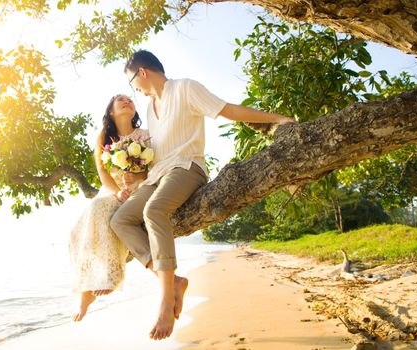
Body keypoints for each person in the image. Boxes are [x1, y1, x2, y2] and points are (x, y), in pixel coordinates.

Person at [110, 50, 296, 340]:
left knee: (153, 211)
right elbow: (158, 154)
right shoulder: (149, 109)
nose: (135, 89)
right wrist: (137, 177)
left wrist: (277, 119)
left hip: (187, 168)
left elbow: (229, 110)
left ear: (142, 73)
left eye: (133, 82)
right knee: (120, 220)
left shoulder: (185, 88)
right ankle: (174, 281)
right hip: (158, 175)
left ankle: (165, 299)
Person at [68, 94, 148, 322]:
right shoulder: (104, 136)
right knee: (75, 232)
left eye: (130, 100)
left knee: (97, 208)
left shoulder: (144, 135)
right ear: (111, 111)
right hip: (113, 189)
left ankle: (111, 277)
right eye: (120, 100)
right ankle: (86, 288)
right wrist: (117, 191)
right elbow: (103, 172)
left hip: (140, 187)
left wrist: (136, 177)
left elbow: (152, 167)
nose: (127, 101)